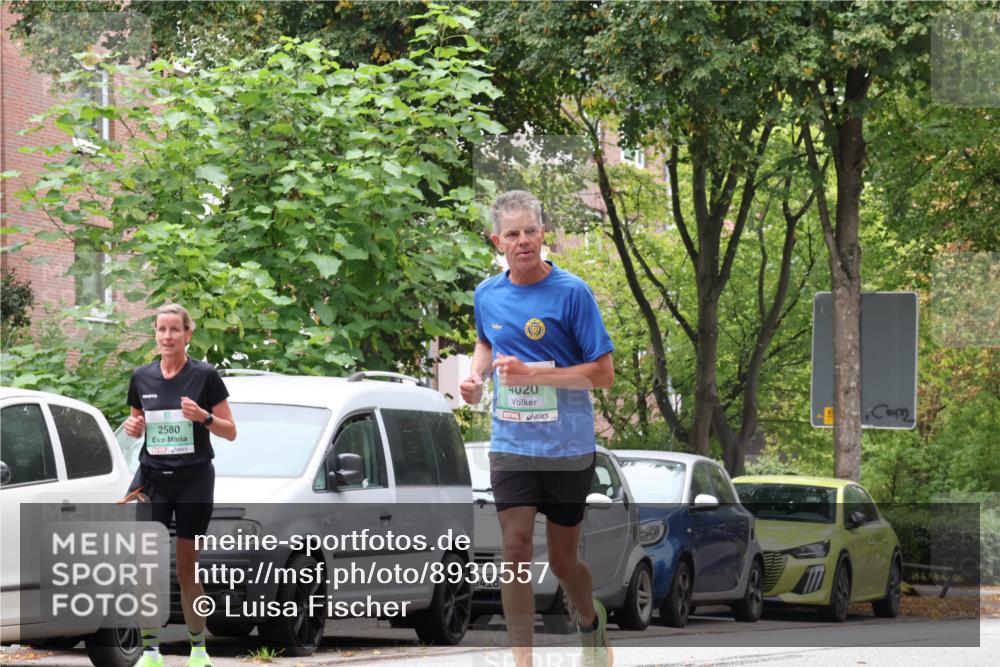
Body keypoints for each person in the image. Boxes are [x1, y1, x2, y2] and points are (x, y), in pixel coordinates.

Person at [460, 190, 615, 667]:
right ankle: (522, 661)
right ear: (497, 241)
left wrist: (535, 375)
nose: (523, 241)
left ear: (543, 234)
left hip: (567, 447)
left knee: (564, 562)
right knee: (515, 548)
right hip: (511, 443)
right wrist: (474, 376)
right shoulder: (486, 294)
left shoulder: (572, 292)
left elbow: (603, 373)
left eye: (531, 231)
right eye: (512, 234)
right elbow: (487, 344)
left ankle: (589, 622)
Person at [123, 304, 236, 667]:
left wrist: (203, 417)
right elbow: (136, 422)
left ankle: (198, 649)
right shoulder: (142, 377)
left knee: (187, 567)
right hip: (155, 481)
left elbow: (230, 431)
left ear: (188, 334)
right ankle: (152, 651)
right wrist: (133, 428)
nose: (167, 337)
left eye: (175, 330)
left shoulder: (205, 376)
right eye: (162, 330)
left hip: (194, 482)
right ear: (154, 334)